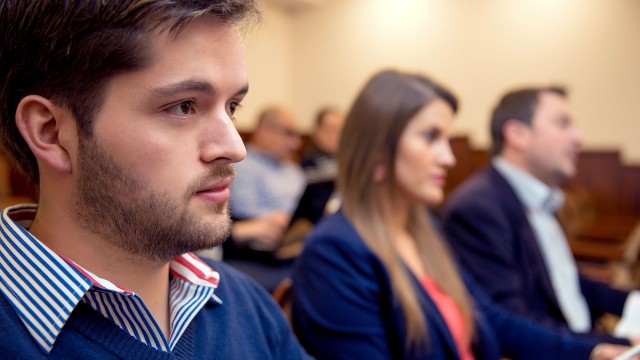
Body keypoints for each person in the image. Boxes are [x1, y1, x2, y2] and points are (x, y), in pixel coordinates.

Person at [0, 1, 310, 358]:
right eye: (184, 106)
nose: (235, 147)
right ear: (52, 132)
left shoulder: (247, 306)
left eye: (232, 107)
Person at [290, 69, 633, 360]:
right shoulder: (334, 253)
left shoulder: (426, 232)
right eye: (430, 137)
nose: (448, 158)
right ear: (378, 149)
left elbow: (492, 319)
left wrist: (594, 351)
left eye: (448, 139)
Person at [441, 87, 640, 341]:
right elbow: (512, 325)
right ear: (517, 135)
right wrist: (620, 345)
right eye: (562, 124)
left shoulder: (539, 196)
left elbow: (565, 282)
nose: (577, 138)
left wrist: (633, 305)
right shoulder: (478, 209)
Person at [224, 106, 306, 291]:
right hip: (261, 248)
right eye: (288, 134)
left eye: (297, 135)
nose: (296, 143)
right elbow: (242, 214)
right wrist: (280, 219)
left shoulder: (293, 170)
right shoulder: (243, 166)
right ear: (264, 131)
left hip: (296, 241)